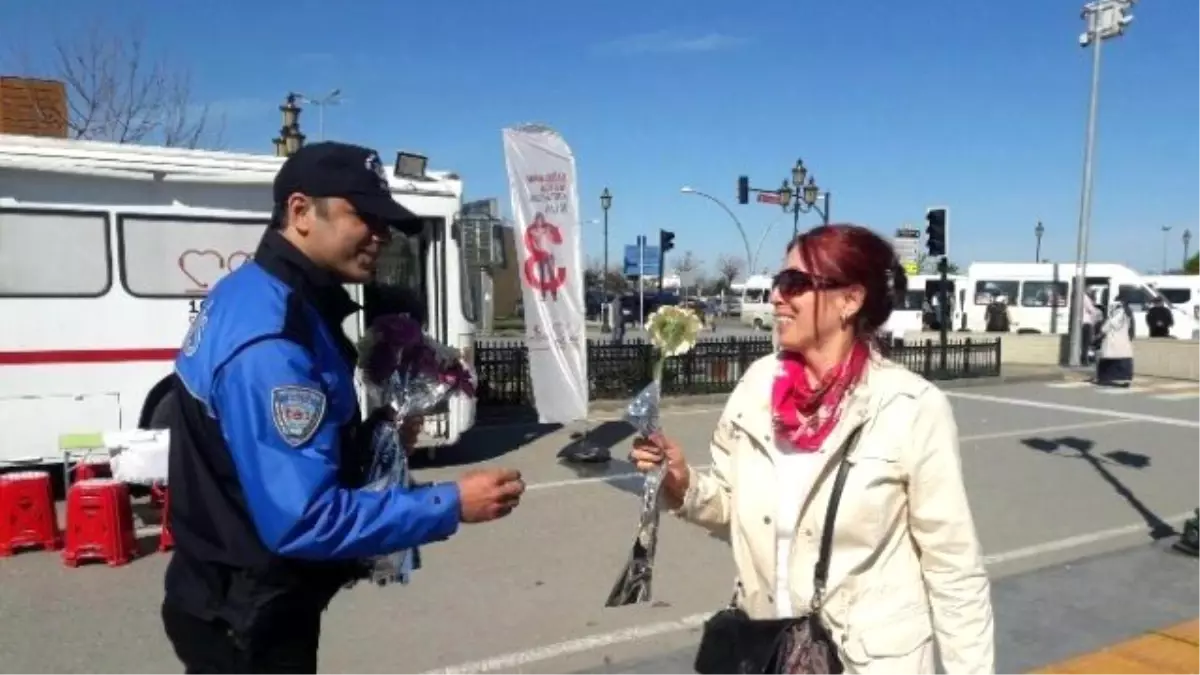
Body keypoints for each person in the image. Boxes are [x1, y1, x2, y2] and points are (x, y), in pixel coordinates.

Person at [159, 141, 526, 674]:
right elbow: (303, 518)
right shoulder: (274, 340)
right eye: (365, 216)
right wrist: (450, 504)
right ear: (301, 211)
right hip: (248, 617)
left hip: (227, 594)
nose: (380, 234)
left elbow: (270, 455)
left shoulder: (258, 292)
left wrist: (380, 439)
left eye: (385, 221)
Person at [630, 224, 994, 674]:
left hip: (869, 662)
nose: (777, 297)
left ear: (850, 300)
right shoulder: (756, 388)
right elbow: (729, 509)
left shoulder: (910, 407)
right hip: (768, 651)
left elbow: (953, 569)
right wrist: (682, 484)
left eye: (795, 284)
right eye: (779, 281)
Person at [1096, 296, 1136, 387]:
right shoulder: (1127, 316)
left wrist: (1099, 335)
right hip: (1124, 342)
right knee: (1124, 359)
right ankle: (1124, 378)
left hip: (1112, 342)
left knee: (1108, 360)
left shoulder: (1114, 317)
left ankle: (1106, 378)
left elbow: (1105, 328)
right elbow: (1131, 329)